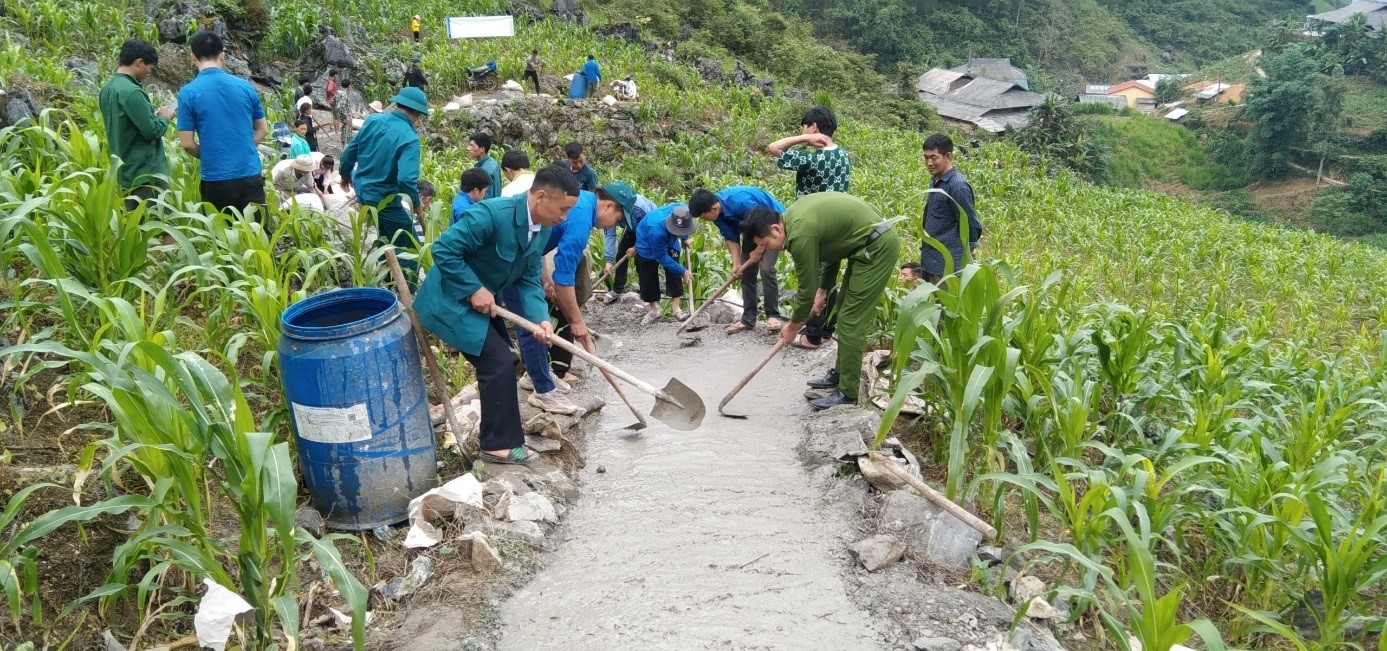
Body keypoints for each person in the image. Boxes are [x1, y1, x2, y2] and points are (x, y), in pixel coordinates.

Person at [412, 166, 581, 465]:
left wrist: (540, 318)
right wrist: (473, 288)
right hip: (450, 300)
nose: (564, 217)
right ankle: (496, 446)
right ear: (541, 197)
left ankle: (506, 439)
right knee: (498, 361)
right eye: (563, 209)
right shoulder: (490, 215)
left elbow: (529, 278)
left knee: (504, 360)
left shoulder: (542, 228)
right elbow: (444, 250)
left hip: (485, 304)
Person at [742, 193, 899, 411]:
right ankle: (840, 374)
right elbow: (831, 251)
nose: (769, 249)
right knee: (842, 310)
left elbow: (805, 293)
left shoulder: (800, 235)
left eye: (766, 244)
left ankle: (848, 392)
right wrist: (823, 290)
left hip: (877, 247)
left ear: (775, 229)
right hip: (862, 246)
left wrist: (792, 327)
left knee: (850, 322)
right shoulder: (793, 217)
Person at [509, 179, 635, 409]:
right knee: (533, 323)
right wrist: (577, 322)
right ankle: (543, 391)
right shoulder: (580, 221)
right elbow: (564, 278)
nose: (613, 225)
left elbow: (539, 241)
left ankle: (536, 374)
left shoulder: (582, 203)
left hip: (525, 258)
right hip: (510, 263)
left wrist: (544, 276)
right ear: (608, 206)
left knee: (536, 320)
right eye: (617, 220)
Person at [177, 30, 269, 215]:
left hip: (216, 179)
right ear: (223, 56)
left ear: (192, 57)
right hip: (250, 174)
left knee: (221, 232)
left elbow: (187, 143)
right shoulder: (245, 86)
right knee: (256, 230)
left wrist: (212, 155)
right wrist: (243, 148)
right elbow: (263, 129)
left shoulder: (188, 93)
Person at [339, 86, 427, 277]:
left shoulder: (373, 120)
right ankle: (407, 289)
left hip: (363, 192)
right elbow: (405, 179)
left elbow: (349, 152)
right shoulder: (409, 138)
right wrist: (416, 205)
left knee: (386, 238)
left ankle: (386, 279)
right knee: (411, 246)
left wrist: (345, 175)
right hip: (384, 199)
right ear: (418, 114)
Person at [687, 185, 788, 334]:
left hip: (773, 226)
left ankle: (773, 316)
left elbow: (763, 226)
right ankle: (748, 319)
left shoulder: (739, 201)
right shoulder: (717, 215)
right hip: (751, 231)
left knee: (766, 268)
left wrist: (759, 250)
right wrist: (736, 264)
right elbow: (731, 238)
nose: (705, 220)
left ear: (714, 208)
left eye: (704, 217)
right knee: (746, 272)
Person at [100, 38, 175, 208]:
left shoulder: (107, 88)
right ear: (139, 62)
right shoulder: (132, 92)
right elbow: (152, 131)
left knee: (136, 222)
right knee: (162, 221)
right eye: (150, 67)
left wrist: (152, 113)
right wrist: (165, 117)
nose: (149, 72)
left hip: (126, 171)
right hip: (146, 174)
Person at [919, 133, 981, 284]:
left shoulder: (957, 186)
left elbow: (971, 225)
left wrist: (969, 254)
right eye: (926, 158)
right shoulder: (936, 181)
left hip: (947, 268)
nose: (929, 163)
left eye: (934, 158)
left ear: (948, 157)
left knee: (944, 300)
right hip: (930, 261)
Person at [634, 203, 698, 325]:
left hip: (669, 237)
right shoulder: (657, 231)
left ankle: (676, 308)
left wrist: (685, 238)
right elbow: (661, 256)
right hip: (646, 243)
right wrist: (683, 271)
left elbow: (684, 224)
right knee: (648, 275)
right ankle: (654, 310)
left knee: (674, 269)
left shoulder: (682, 211)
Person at [768, 105, 851, 197]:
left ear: (814, 127)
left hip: (809, 206)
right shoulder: (844, 156)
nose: (803, 132)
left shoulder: (811, 160)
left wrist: (805, 137)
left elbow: (773, 147)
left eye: (804, 128)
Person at [601, 190, 654, 303]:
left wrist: (636, 248)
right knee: (621, 254)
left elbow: (650, 230)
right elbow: (610, 235)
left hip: (649, 229)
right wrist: (608, 261)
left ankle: (645, 295)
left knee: (641, 260)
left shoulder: (639, 209)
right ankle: (617, 290)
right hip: (631, 229)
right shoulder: (609, 211)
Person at [468, 132, 502, 200]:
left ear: (482, 149)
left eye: (472, 146)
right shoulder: (493, 162)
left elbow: (484, 198)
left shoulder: (484, 171)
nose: (468, 148)